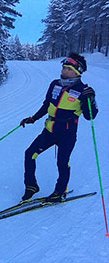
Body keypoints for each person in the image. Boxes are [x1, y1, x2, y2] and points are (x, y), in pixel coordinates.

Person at [20, 53, 98, 203]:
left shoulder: (84, 91)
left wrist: (91, 100)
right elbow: (46, 104)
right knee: (29, 154)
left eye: (68, 69)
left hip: (67, 133)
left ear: (78, 72)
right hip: (49, 130)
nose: (64, 70)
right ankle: (31, 186)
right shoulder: (55, 84)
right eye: (64, 67)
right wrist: (33, 118)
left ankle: (60, 191)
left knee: (62, 162)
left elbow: (90, 116)